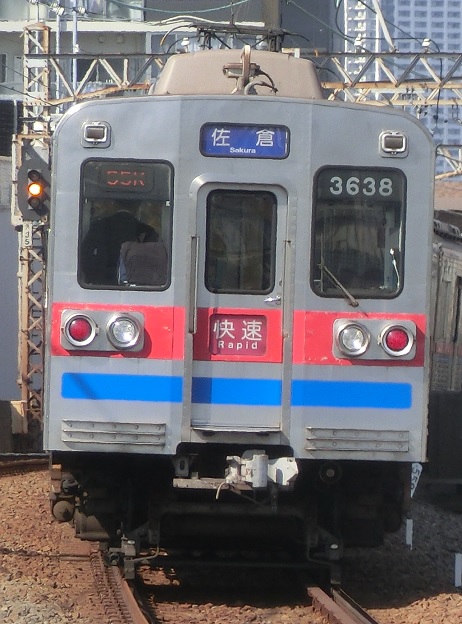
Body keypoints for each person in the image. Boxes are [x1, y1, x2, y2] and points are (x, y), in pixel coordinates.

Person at [81, 199, 158, 285]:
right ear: (138, 207)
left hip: (102, 282)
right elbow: (153, 260)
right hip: (135, 284)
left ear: (114, 204)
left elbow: (85, 253)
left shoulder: (99, 225)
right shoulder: (147, 231)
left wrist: (91, 277)